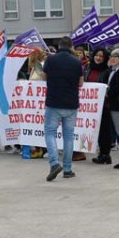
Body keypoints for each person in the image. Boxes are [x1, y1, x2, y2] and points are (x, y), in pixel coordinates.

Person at [40, 37, 84, 181]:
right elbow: (81, 83)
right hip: (71, 103)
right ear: (71, 46)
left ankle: (54, 163)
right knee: (69, 137)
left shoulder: (51, 60)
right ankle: (67, 169)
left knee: (50, 132)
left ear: (59, 46)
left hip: (54, 102)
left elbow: (43, 77)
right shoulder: (77, 62)